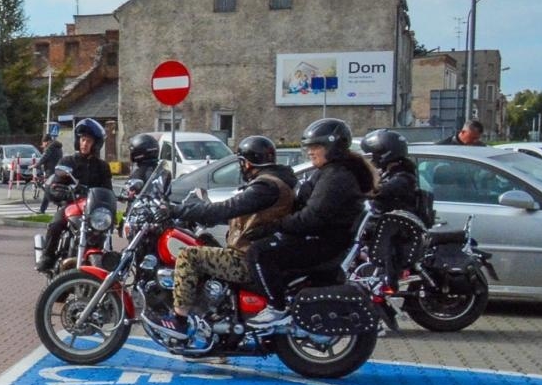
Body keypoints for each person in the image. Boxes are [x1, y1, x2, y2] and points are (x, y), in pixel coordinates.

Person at [159, 136, 297, 341]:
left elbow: (229, 207)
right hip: (256, 253)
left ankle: (179, 320)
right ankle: (210, 312)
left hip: (247, 258)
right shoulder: (276, 182)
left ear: (247, 163)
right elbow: (243, 214)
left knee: (189, 255)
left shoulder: (266, 186)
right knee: (205, 242)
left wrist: (177, 210)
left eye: (242, 161)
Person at [249, 117, 375, 317]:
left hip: (324, 243)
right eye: (309, 147)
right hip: (324, 239)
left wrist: (275, 226)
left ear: (333, 148)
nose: (310, 152)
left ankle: (276, 309)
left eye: (316, 147)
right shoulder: (332, 172)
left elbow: (311, 217)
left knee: (258, 253)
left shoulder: (336, 177)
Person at [35, 118, 112, 271]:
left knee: (106, 231)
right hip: (71, 205)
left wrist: (111, 207)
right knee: (56, 224)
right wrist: (63, 192)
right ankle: (47, 256)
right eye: (83, 140)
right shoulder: (68, 161)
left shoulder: (102, 166)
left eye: (89, 141)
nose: (85, 144)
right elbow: (56, 183)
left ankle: (106, 260)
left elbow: (108, 191)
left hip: (92, 209)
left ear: (95, 144)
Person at [361, 129, 424, 219]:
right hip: (383, 222)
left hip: (395, 226)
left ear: (386, 154)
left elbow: (379, 192)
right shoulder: (389, 174)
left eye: (375, 155)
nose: (372, 159)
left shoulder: (403, 178)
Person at [36, 127, 65, 213]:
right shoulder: (57, 147)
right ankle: (58, 204)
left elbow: (44, 157)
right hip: (57, 170)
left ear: (47, 141)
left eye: (44, 142)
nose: (43, 144)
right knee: (51, 189)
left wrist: (36, 165)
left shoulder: (50, 147)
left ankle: (42, 209)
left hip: (51, 171)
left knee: (48, 191)